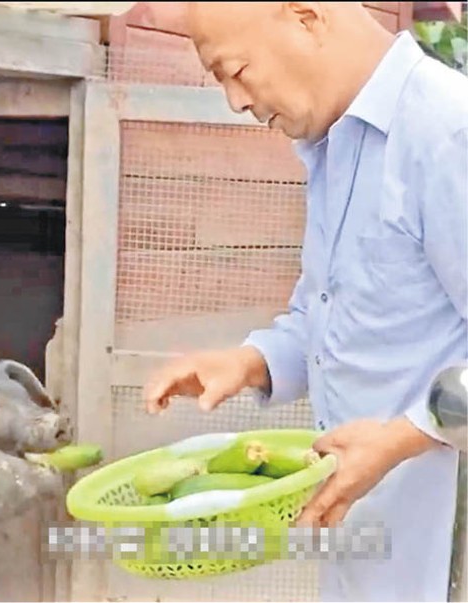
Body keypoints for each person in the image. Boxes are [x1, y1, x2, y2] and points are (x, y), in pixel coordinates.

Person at [143, 3, 468, 601]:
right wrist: (247, 362)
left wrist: (401, 440)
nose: (236, 101)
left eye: (234, 70)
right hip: (363, 549)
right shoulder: (336, 146)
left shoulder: (449, 130)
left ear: (306, 19)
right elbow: (333, 314)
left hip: (432, 554)